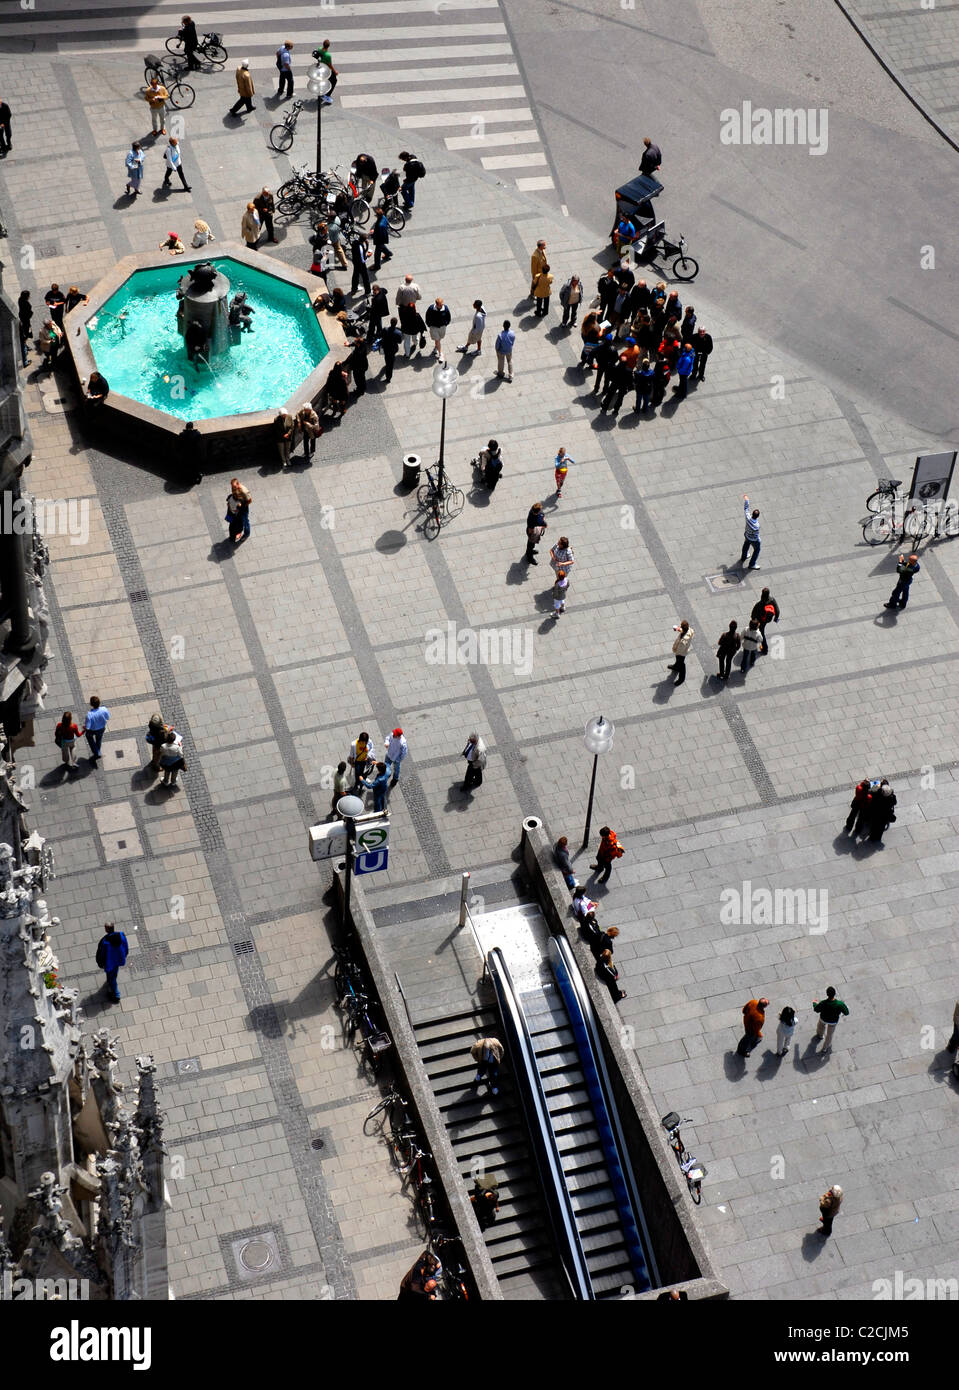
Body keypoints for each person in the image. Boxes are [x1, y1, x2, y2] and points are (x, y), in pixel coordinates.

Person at [95, 923, 129, 1003]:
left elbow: (102, 954)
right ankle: (112, 984)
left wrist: (100, 963)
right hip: (118, 960)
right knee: (115, 973)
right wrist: (124, 955)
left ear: (106, 929)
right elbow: (126, 947)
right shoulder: (121, 936)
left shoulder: (105, 941)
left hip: (109, 963)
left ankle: (116, 995)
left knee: (111, 978)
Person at [812, 986, 849, 1051]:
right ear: (834, 994)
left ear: (827, 994)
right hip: (833, 1021)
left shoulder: (823, 1003)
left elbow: (816, 1009)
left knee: (820, 1027)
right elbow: (846, 1012)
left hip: (823, 1019)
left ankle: (820, 1035)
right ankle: (825, 1048)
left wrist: (814, 1003)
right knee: (829, 1035)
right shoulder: (840, 1004)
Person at [751, 588, 780, 655]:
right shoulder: (772, 600)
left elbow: (753, 613)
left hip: (760, 620)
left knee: (761, 633)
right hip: (767, 619)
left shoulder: (760, 604)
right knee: (761, 631)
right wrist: (775, 619)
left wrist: (753, 620)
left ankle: (765, 649)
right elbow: (777, 611)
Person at [81, 696, 110, 761]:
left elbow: (88, 727)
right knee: (99, 739)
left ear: (91, 704)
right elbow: (108, 717)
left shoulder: (89, 714)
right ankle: (98, 751)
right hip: (101, 728)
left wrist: (84, 727)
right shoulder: (104, 709)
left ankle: (97, 752)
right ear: (99, 702)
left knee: (89, 737)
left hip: (92, 730)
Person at [667, 619, 693, 686]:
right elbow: (683, 631)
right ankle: (676, 667)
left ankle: (681, 678)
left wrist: (675, 651)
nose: (680, 627)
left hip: (681, 653)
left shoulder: (683, 642)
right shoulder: (689, 630)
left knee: (681, 664)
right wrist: (677, 629)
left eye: (681, 626)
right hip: (683, 651)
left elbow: (679, 651)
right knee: (678, 662)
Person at [225, 479, 251, 544]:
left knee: (244, 521)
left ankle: (246, 533)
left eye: (233, 487)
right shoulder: (234, 494)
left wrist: (242, 506)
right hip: (236, 513)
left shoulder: (244, 491)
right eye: (232, 487)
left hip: (241, 510)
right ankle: (235, 536)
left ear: (238, 484)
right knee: (237, 525)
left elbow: (249, 501)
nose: (232, 488)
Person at [740, 495, 761, 570]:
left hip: (747, 535)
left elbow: (746, 509)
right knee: (757, 550)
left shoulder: (748, 517)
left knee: (746, 545)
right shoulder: (757, 525)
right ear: (758, 516)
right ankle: (752, 564)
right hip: (753, 539)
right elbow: (756, 535)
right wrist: (759, 540)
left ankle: (744, 556)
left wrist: (746, 500)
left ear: (752, 514)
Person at [380, 317, 403, 382]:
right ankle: (388, 378)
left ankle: (387, 367)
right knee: (390, 364)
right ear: (396, 324)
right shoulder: (398, 333)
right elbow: (400, 342)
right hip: (393, 349)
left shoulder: (385, 329)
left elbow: (381, 336)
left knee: (387, 359)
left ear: (390, 322)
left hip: (386, 348)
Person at [349, 232, 371, 298]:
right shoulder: (360, 248)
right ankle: (368, 292)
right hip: (361, 264)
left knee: (355, 275)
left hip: (355, 262)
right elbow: (363, 259)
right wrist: (368, 255)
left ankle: (354, 289)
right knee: (365, 278)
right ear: (364, 240)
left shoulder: (355, 242)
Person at [371, 205, 392, 272]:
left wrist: (373, 233)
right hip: (384, 236)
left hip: (379, 239)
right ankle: (388, 254)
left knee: (377, 254)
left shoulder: (380, 225)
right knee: (382, 246)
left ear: (378, 215)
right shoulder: (384, 217)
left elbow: (378, 234)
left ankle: (377, 266)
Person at [317, 40, 337, 105]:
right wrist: (335, 71)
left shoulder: (319, 49)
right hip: (326, 70)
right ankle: (327, 96)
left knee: (322, 82)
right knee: (334, 81)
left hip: (320, 69)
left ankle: (321, 94)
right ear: (328, 46)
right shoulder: (328, 55)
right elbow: (330, 65)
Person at [17, 290, 31, 368]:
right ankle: (25, 362)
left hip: (23, 320)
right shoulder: (26, 303)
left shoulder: (20, 299)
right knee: (24, 340)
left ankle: (26, 345)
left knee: (24, 338)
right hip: (25, 323)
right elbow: (28, 313)